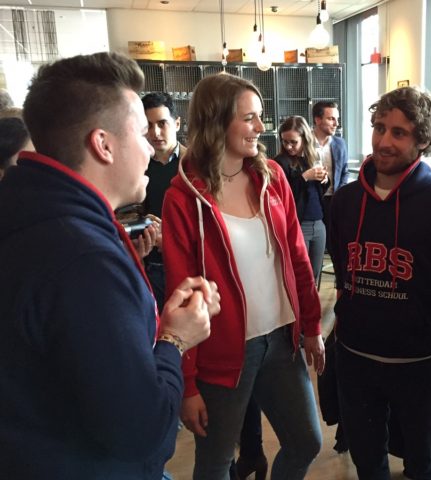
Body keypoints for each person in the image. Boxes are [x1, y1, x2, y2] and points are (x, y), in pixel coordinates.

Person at [0, 51, 219, 479]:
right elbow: (143, 431)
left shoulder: (26, 209)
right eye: (140, 131)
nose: (152, 142)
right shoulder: (84, 258)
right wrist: (176, 339)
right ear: (103, 144)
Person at [162, 73, 325, 480]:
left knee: (307, 440)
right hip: (223, 351)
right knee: (216, 461)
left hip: (282, 340)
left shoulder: (270, 175)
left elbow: (298, 259)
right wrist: (188, 383)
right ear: (216, 121)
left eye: (260, 117)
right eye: (248, 118)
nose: (259, 127)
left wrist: (311, 324)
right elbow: (180, 294)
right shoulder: (182, 197)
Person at [330, 85, 431, 480]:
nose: (384, 141)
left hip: (419, 362)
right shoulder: (344, 202)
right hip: (355, 358)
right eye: (379, 128)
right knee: (366, 456)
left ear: (423, 140)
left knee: (426, 461)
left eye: (399, 132)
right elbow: (344, 272)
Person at [139, 92, 187, 312]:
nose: (155, 132)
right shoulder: (138, 165)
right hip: (153, 264)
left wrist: (170, 236)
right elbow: (127, 212)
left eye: (162, 123)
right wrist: (143, 223)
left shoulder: (194, 164)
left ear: (176, 123)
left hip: (188, 263)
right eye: (149, 125)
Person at [275, 115, 328, 285]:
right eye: (285, 141)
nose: (288, 146)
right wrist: (304, 177)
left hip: (318, 222)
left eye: (293, 142)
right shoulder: (279, 163)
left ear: (304, 139)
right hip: (298, 224)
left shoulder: (309, 160)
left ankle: (312, 310)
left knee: (314, 274)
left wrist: (324, 181)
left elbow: (317, 194)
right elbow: (283, 195)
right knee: (300, 277)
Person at [312, 101, 349, 241]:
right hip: (313, 201)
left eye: (337, 119)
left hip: (334, 199)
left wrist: (341, 193)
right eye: (331, 118)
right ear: (318, 119)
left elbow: (345, 171)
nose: (336, 123)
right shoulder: (303, 142)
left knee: (335, 240)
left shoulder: (340, 143)